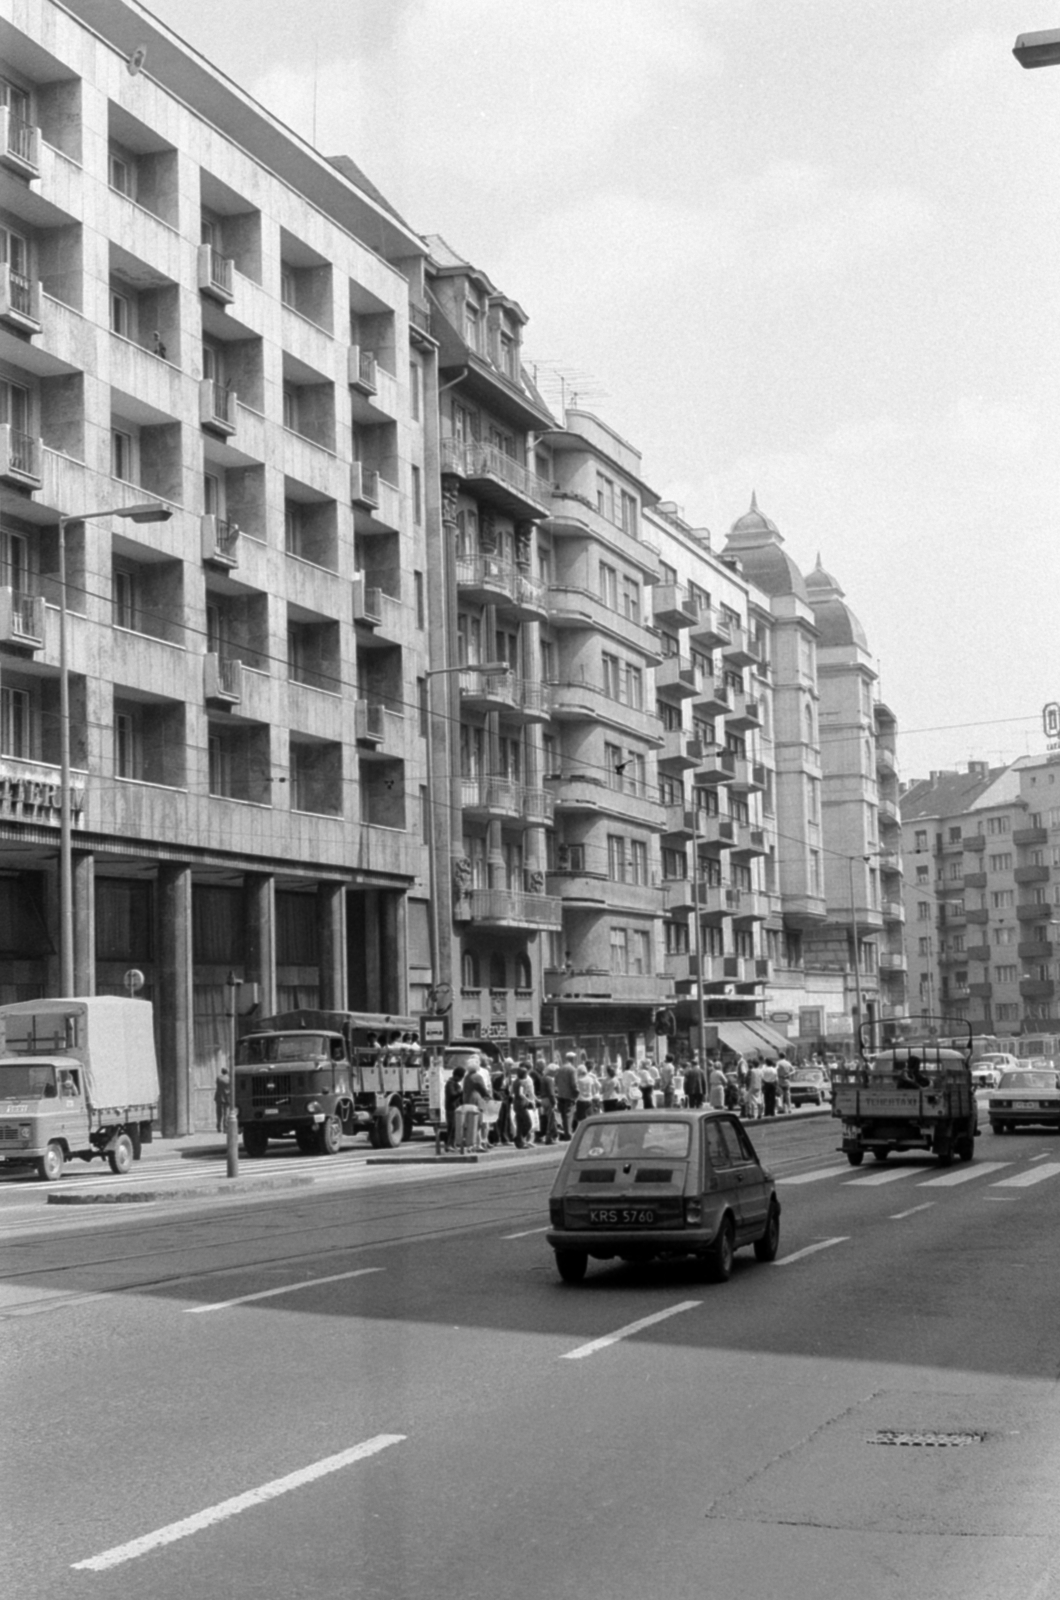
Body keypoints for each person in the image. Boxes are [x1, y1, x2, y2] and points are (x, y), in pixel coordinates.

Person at [554, 1051, 579, 1140]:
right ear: (573, 1059)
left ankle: (566, 1133)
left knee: (564, 1116)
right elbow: (574, 1083)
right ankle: (568, 1134)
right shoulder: (572, 1069)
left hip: (561, 1095)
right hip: (569, 1096)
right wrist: (577, 1093)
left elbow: (556, 1081)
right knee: (569, 1115)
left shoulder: (560, 1069)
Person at [444, 1065, 466, 1150]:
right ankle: (448, 1145)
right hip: (450, 1108)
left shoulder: (455, 1084)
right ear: (457, 1075)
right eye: (461, 1077)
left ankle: (452, 1144)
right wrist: (460, 1092)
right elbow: (452, 1095)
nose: (461, 1079)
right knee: (451, 1127)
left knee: (455, 1127)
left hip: (456, 1108)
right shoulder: (450, 1084)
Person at [573, 1059, 599, 1128]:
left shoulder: (578, 1080)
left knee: (580, 1120)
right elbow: (594, 1091)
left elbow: (576, 1091)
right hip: (589, 1101)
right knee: (590, 1119)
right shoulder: (590, 1079)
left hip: (580, 1101)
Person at [214, 1065, 230, 1133]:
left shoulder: (218, 1078)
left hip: (219, 1097)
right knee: (226, 1113)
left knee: (219, 1113)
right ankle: (225, 1128)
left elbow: (217, 1083)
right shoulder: (229, 1078)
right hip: (226, 1097)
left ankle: (218, 1127)